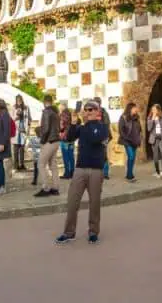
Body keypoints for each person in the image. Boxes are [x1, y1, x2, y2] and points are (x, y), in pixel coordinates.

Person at [56, 99, 109, 245]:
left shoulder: (102, 127)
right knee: (72, 201)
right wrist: (73, 122)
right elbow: (70, 137)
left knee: (95, 203)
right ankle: (69, 232)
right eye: (86, 110)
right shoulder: (81, 127)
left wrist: (88, 123)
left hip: (96, 170)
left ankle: (93, 232)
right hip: (80, 169)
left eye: (91, 109)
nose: (88, 112)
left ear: (98, 111)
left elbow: (95, 138)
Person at [34, 95, 61, 198]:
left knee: (40, 164)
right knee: (53, 165)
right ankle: (55, 188)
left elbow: (45, 129)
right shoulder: (56, 112)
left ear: (44, 101)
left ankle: (46, 188)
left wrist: (42, 141)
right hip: (56, 141)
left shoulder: (46, 112)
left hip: (49, 141)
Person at [119, 103, 142, 182]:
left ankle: (130, 174)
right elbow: (121, 130)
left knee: (132, 159)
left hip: (135, 140)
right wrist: (126, 138)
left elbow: (139, 129)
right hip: (127, 141)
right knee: (131, 156)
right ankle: (129, 176)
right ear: (130, 109)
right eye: (135, 108)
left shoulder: (137, 117)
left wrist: (139, 138)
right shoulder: (123, 117)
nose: (136, 109)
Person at [147, 104, 162, 179]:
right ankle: (157, 172)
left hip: (161, 138)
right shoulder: (149, 118)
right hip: (154, 138)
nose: (153, 111)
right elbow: (149, 129)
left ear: (158, 110)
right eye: (152, 110)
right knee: (155, 156)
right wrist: (152, 119)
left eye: (155, 110)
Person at [13, 95, 31, 172]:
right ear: (16, 101)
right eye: (18, 100)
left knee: (22, 148)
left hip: (23, 130)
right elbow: (11, 118)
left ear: (22, 100)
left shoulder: (26, 108)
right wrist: (17, 116)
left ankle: (22, 165)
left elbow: (29, 118)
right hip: (16, 130)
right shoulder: (13, 107)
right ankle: (16, 166)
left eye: (20, 100)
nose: (19, 101)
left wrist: (28, 128)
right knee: (16, 148)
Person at [59, 102, 75, 179]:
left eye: (60, 106)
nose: (59, 108)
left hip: (64, 138)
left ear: (62, 107)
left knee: (65, 157)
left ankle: (67, 173)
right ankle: (72, 172)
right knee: (71, 156)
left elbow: (61, 127)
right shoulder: (71, 114)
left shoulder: (62, 115)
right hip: (72, 138)